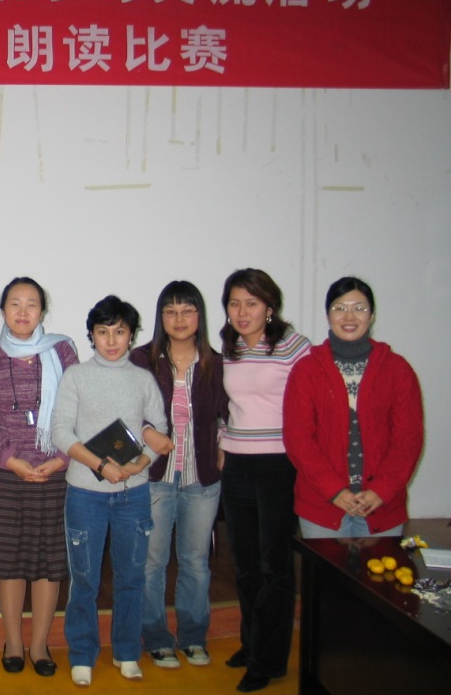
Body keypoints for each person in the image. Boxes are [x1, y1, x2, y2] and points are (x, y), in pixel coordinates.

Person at [51, 295, 170, 686]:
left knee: (131, 577)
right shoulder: (76, 376)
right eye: (103, 332)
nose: (112, 340)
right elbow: (61, 432)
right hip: (85, 493)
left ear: (131, 335)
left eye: (119, 331)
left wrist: (141, 462)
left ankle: (127, 652)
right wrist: (100, 465)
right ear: (92, 336)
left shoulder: (142, 379)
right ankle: (82, 653)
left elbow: (160, 429)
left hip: (133, 494)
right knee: (84, 579)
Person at [0, 277, 78, 677]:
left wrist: (62, 460)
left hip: (54, 473)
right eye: (14, 303)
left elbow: (76, 409)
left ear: (42, 311)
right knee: (10, 562)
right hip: (7, 475)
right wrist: (11, 460)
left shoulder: (62, 351)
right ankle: (14, 642)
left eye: (31, 304)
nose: (22, 311)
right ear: (2, 310)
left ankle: (39, 645)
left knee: (49, 562)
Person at [218, 268, 310, 693]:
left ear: (269, 307)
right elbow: (226, 405)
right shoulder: (230, 347)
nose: (242, 312)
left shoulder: (294, 346)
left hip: (278, 465)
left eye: (251, 303)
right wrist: (222, 440)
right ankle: (251, 642)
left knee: (275, 567)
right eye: (234, 303)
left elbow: (310, 405)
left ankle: (268, 660)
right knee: (245, 563)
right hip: (237, 464)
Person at [131, 281, 228, 669]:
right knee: (151, 564)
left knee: (195, 562)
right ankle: (156, 638)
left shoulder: (215, 363)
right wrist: (146, 431)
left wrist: (223, 445)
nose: (179, 319)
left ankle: (192, 637)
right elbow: (126, 410)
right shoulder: (142, 360)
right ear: (161, 318)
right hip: (155, 477)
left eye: (187, 310)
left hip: (200, 480)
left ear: (200, 316)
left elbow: (227, 412)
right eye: (170, 311)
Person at [284, 276, 423, 538]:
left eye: (359, 308)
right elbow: (298, 439)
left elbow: (408, 440)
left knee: (380, 567)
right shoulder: (306, 370)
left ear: (372, 315)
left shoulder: (397, 370)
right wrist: (334, 490)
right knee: (326, 567)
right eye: (339, 308)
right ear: (328, 315)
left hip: (381, 505)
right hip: (322, 504)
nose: (349, 316)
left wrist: (381, 490)